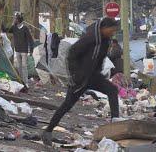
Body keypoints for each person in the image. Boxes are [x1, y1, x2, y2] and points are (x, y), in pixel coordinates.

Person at [42, 18, 120, 146]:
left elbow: (99, 59)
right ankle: (48, 131)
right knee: (67, 105)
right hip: (80, 78)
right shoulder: (90, 37)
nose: (113, 33)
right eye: (111, 30)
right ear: (104, 28)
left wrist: (98, 73)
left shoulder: (105, 40)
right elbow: (71, 53)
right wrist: (74, 75)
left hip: (93, 76)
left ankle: (115, 122)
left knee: (112, 90)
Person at [8, 13, 34, 87]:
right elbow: (7, 30)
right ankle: (20, 81)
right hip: (17, 50)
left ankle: (26, 82)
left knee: (24, 66)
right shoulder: (14, 28)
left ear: (18, 20)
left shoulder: (25, 28)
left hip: (24, 51)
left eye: (15, 19)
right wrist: (11, 24)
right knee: (19, 66)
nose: (14, 20)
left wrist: (31, 50)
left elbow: (30, 40)